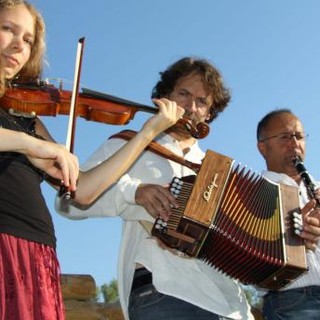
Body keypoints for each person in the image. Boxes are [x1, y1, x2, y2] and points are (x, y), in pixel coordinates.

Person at [0, 1, 184, 319]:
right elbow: (35, 148)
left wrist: (146, 133)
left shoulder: (26, 114)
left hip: (35, 252)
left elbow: (83, 191)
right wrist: (34, 146)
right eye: (7, 29)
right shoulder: (29, 135)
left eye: (28, 39)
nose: (19, 44)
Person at [57, 57, 255, 320]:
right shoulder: (129, 145)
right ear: (164, 98)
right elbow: (67, 203)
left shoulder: (219, 172)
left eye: (202, 102)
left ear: (209, 113)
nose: (191, 107)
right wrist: (134, 192)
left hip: (230, 303)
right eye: (183, 94)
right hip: (164, 292)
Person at [256, 109, 320, 320]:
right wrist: (293, 241)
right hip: (294, 302)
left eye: (299, 136)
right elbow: (248, 271)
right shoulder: (251, 194)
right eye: (285, 137)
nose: (295, 143)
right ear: (263, 148)